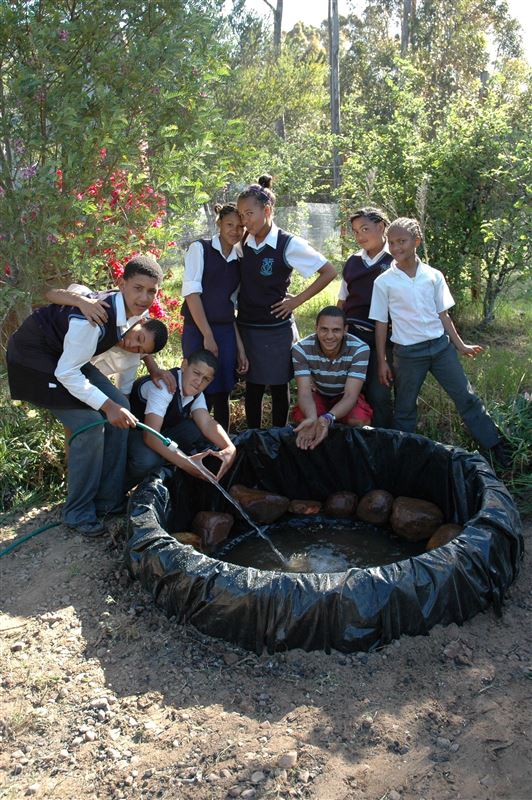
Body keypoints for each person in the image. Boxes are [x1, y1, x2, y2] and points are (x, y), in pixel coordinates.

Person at [6, 255, 168, 538]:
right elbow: (67, 373)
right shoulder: (91, 320)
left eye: (151, 291)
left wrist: (150, 368)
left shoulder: (134, 313)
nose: (144, 297)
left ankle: (108, 501)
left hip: (66, 358)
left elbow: (138, 346)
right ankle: (77, 512)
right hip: (34, 361)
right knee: (90, 424)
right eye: (138, 288)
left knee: (122, 403)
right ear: (122, 284)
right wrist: (106, 407)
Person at [369, 217, 510, 466]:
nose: (396, 247)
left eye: (402, 241)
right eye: (391, 242)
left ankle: (495, 445)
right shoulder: (384, 282)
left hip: (440, 348)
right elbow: (381, 323)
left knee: (466, 396)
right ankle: (402, 458)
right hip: (408, 354)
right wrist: (382, 361)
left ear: (416, 241)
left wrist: (460, 345)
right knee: (404, 408)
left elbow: (443, 315)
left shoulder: (433, 276)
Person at [236, 174, 336, 429]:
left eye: (250, 214)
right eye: (242, 215)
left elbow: (329, 272)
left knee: (279, 386)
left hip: (276, 328)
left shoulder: (288, 244)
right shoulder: (242, 242)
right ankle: (254, 438)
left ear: (267, 210)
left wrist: (296, 301)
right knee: (253, 387)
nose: (245, 221)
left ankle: (279, 436)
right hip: (247, 326)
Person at [126, 349, 236, 489]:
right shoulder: (164, 386)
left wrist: (230, 447)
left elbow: (207, 423)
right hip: (132, 432)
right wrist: (186, 463)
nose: (199, 382)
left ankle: (169, 467)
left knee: (195, 430)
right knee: (148, 459)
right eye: (196, 373)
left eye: (206, 379)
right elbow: (150, 437)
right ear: (184, 365)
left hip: (161, 432)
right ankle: (118, 493)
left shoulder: (196, 393)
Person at [181, 202, 248, 431]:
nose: (235, 231)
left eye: (240, 226)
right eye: (229, 225)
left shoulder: (239, 260)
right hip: (198, 329)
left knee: (223, 389)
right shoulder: (200, 249)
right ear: (219, 224)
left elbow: (231, 307)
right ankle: (193, 438)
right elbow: (192, 295)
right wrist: (207, 335)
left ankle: (223, 441)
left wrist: (239, 347)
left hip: (225, 331)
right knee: (196, 386)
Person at [337, 206, 394, 427]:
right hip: (353, 335)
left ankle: (382, 438)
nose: (359, 236)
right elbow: (342, 301)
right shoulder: (353, 262)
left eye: (365, 229)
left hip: (385, 338)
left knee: (379, 392)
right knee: (350, 390)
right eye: (355, 231)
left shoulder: (395, 260)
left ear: (381, 227)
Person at [291, 306, 371, 450]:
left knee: (358, 420)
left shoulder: (360, 349)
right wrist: (312, 418)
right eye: (324, 329)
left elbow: (350, 395)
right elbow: (304, 393)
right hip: (319, 393)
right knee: (303, 420)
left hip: (344, 395)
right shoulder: (301, 349)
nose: (329, 336)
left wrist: (327, 418)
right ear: (316, 328)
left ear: (345, 330)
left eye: (336, 330)